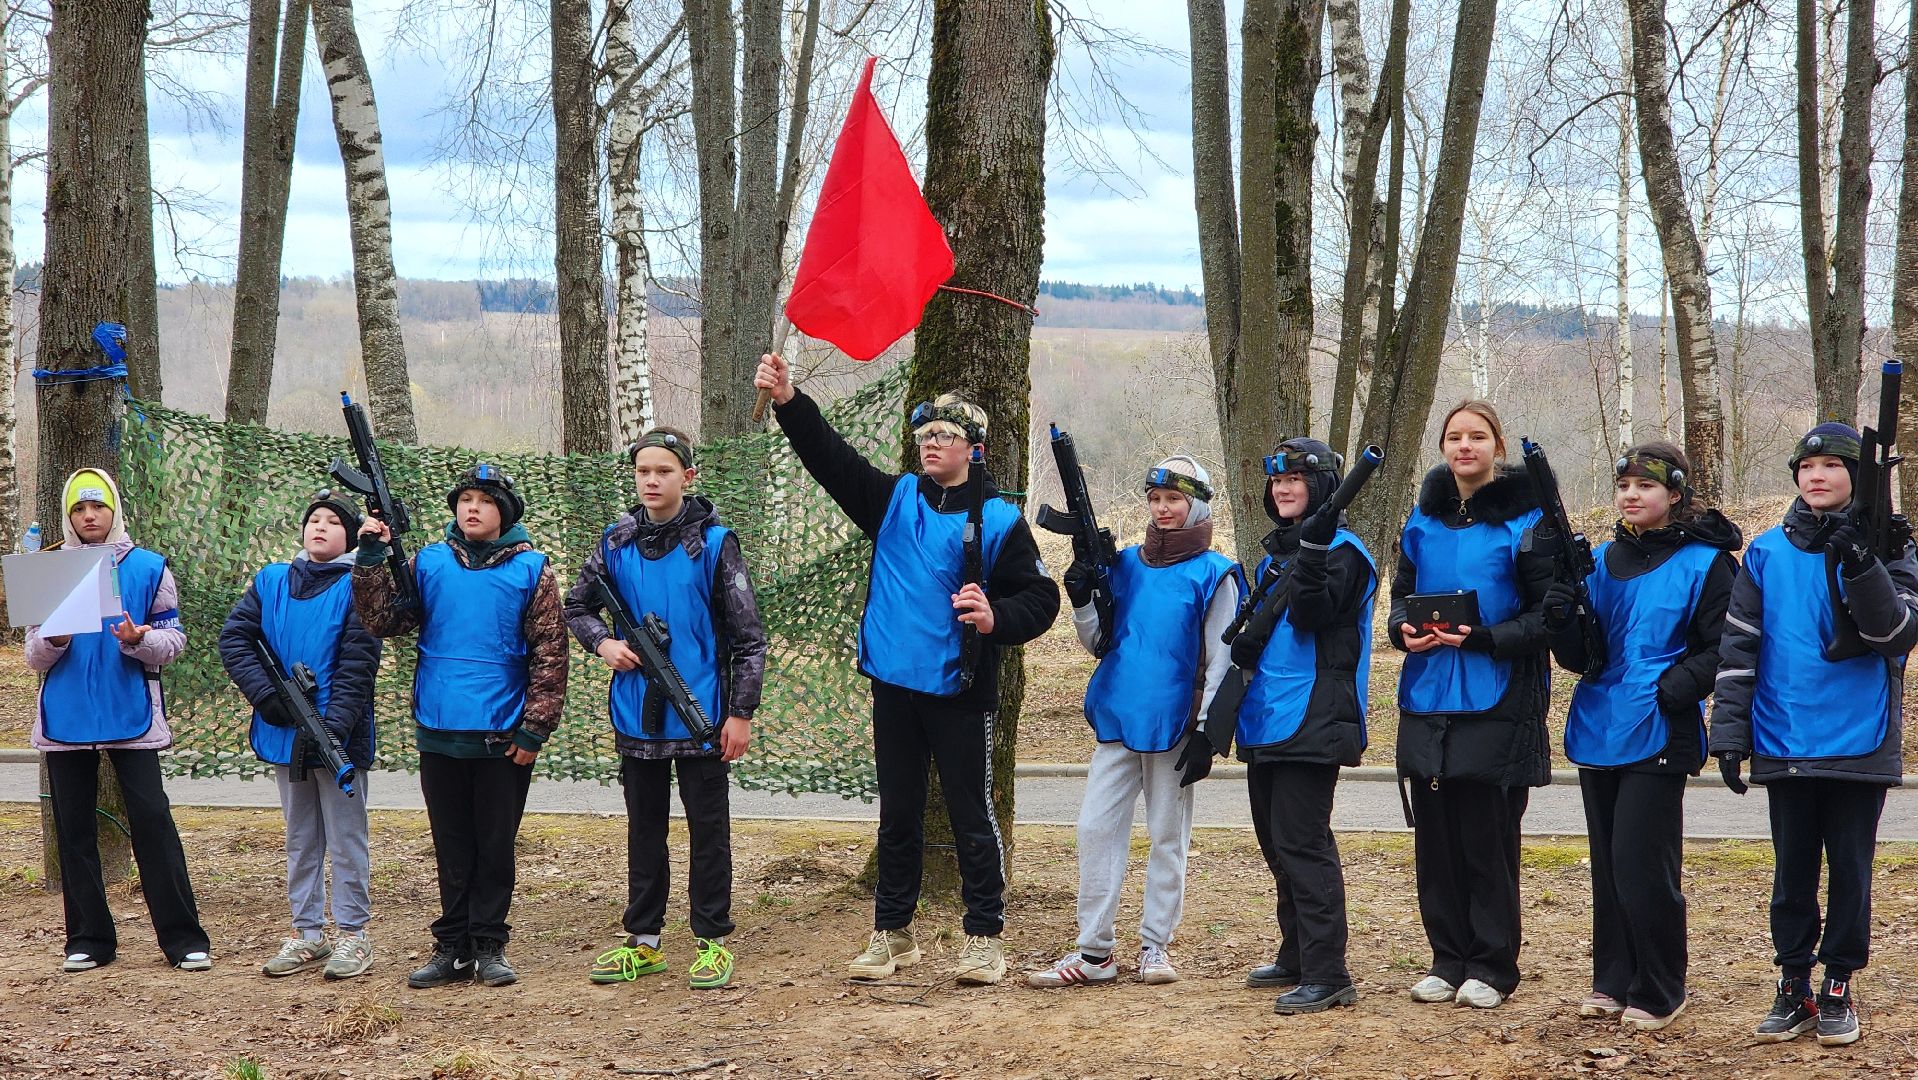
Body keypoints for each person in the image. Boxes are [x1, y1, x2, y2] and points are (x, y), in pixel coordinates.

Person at [754, 353, 1060, 986]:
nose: (932, 445)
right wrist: (789, 399)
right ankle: (893, 933)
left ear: (974, 450)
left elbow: (1040, 598)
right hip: (893, 684)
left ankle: (984, 937)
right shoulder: (892, 499)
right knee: (898, 816)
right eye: (925, 436)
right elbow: (829, 456)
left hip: (958, 690)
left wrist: (993, 616)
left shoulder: (1000, 519)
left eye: (945, 437)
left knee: (972, 816)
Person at [1709, 422, 1918, 1047]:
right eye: (1807, 466)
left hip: (1860, 736)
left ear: (1861, 477)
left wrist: (1862, 562)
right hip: (1783, 736)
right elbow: (1739, 648)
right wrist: (1729, 731)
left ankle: (1837, 986)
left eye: (1832, 465)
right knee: (1791, 872)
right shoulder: (1767, 553)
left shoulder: (1890, 548)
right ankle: (1793, 982)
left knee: (1850, 870)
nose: (1817, 476)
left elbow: (1896, 635)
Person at [1540, 442, 1740, 1031]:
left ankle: (1659, 986)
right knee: (1606, 861)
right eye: (1624, 484)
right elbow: (1584, 656)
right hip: (1600, 722)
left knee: (1642, 862)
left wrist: (1675, 688)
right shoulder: (1600, 560)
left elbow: (1725, 645)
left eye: (1646, 486)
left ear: (1674, 495)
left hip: (1659, 728)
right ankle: (1613, 978)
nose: (1632, 494)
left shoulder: (1707, 563)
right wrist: (1560, 619)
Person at [1025, 456, 1239, 989]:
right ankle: (1094, 951)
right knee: (1095, 828)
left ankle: (1155, 946)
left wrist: (1210, 732)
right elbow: (1102, 643)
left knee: (1168, 834)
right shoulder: (1123, 564)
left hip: (1176, 725)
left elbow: (1223, 659)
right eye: (1155, 500)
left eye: (1174, 501)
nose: (1162, 510)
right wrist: (1082, 602)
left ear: (1197, 507)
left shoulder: (1216, 574)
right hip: (1119, 716)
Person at [354, 463, 570, 989]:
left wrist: (534, 729)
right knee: (451, 844)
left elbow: (551, 653)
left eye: (485, 500)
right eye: (465, 499)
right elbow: (385, 620)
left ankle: (490, 945)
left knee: (494, 844)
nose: (472, 508)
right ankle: (451, 947)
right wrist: (371, 558)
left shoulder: (532, 569)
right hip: (440, 729)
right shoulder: (427, 562)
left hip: (502, 737)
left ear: (505, 512)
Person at [566, 428, 767, 991]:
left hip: (704, 717)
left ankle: (711, 940)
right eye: (643, 472)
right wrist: (604, 644)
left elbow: (749, 638)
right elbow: (577, 606)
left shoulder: (716, 543)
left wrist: (741, 712)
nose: (652, 481)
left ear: (687, 477)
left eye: (664, 471)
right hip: (636, 717)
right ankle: (645, 941)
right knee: (644, 829)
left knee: (709, 830)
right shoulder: (615, 541)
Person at [1389, 401, 1552, 1010]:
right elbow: (1402, 599)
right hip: (1429, 694)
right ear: (1442, 448)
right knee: (1435, 839)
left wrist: (1485, 638)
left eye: (1477, 437)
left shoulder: (1527, 521)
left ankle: (1491, 963)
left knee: (1487, 838)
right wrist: (1402, 630)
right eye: (1454, 437)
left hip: (1498, 697)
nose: (1465, 447)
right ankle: (1446, 957)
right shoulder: (1423, 522)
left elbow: (1547, 616)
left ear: (1497, 445)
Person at [26, 468, 211, 973]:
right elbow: (34, 656)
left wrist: (138, 639)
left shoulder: (150, 567)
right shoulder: (46, 570)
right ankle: (88, 939)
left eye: (98, 507)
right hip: (66, 718)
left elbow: (173, 641)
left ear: (115, 511)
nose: (89, 517)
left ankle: (183, 938)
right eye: (80, 510)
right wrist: (55, 639)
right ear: (68, 515)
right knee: (74, 829)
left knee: (152, 821)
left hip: (132, 714)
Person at [1229, 439, 1377, 1015]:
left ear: (1320, 488)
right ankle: (1295, 954)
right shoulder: (1276, 557)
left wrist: (1312, 553)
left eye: (1295, 479)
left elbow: (1315, 615)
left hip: (1315, 718)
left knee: (1304, 845)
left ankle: (1328, 972)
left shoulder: (1343, 552)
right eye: (1277, 480)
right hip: (1267, 718)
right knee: (1276, 845)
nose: (1283, 488)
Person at [220, 491, 383, 980]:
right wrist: (266, 696)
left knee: (346, 838)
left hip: (338, 738)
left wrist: (331, 729)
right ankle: (307, 932)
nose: (321, 527)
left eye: (334, 522)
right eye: (314, 519)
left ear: (351, 536)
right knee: (300, 838)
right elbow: (236, 638)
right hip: (284, 732)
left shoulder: (359, 586)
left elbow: (359, 667)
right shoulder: (271, 580)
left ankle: (354, 933)